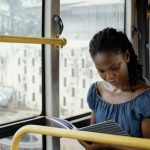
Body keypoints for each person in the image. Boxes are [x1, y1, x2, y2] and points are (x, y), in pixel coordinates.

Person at [79, 28, 150, 150]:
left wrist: (108, 145)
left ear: (126, 56)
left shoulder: (145, 99)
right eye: (101, 71)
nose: (109, 76)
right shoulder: (96, 92)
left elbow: (147, 147)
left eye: (114, 68)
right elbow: (93, 132)